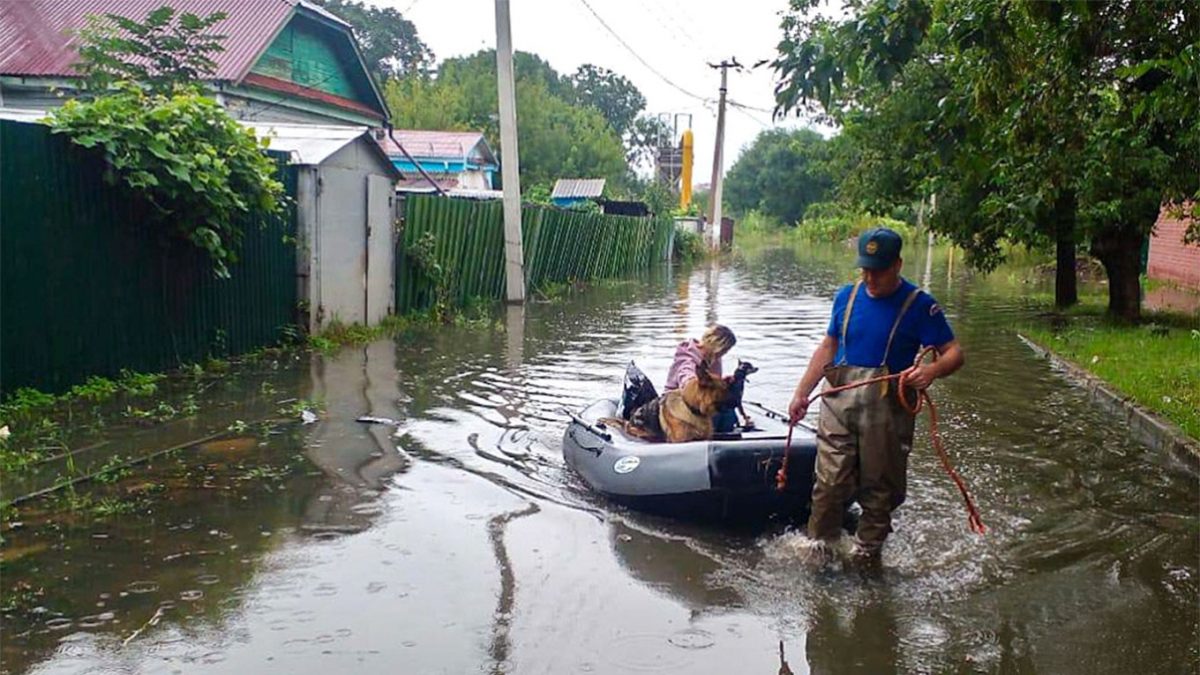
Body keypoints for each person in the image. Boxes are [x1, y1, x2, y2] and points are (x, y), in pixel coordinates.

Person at [787, 227, 964, 561]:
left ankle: (867, 559)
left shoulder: (920, 305)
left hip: (887, 411)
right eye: (865, 269)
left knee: (880, 490)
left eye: (878, 271)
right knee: (829, 482)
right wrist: (801, 393)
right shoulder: (846, 297)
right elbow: (829, 346)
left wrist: (931, 371)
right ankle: (819, 549)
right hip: (838, 403)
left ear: (897, 265)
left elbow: (954, 352)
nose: (870, 278)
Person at [665, 324, 737, 432]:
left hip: (701, 401)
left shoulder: (714, 358)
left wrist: (722, 382)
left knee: (728, 412)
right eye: (725, 350)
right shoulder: (687, 355)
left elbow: (712, 384)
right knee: (722, 415)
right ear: (717, 346)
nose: (724, 353)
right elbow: (685, 374)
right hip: (676, 402)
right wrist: (694, 381)